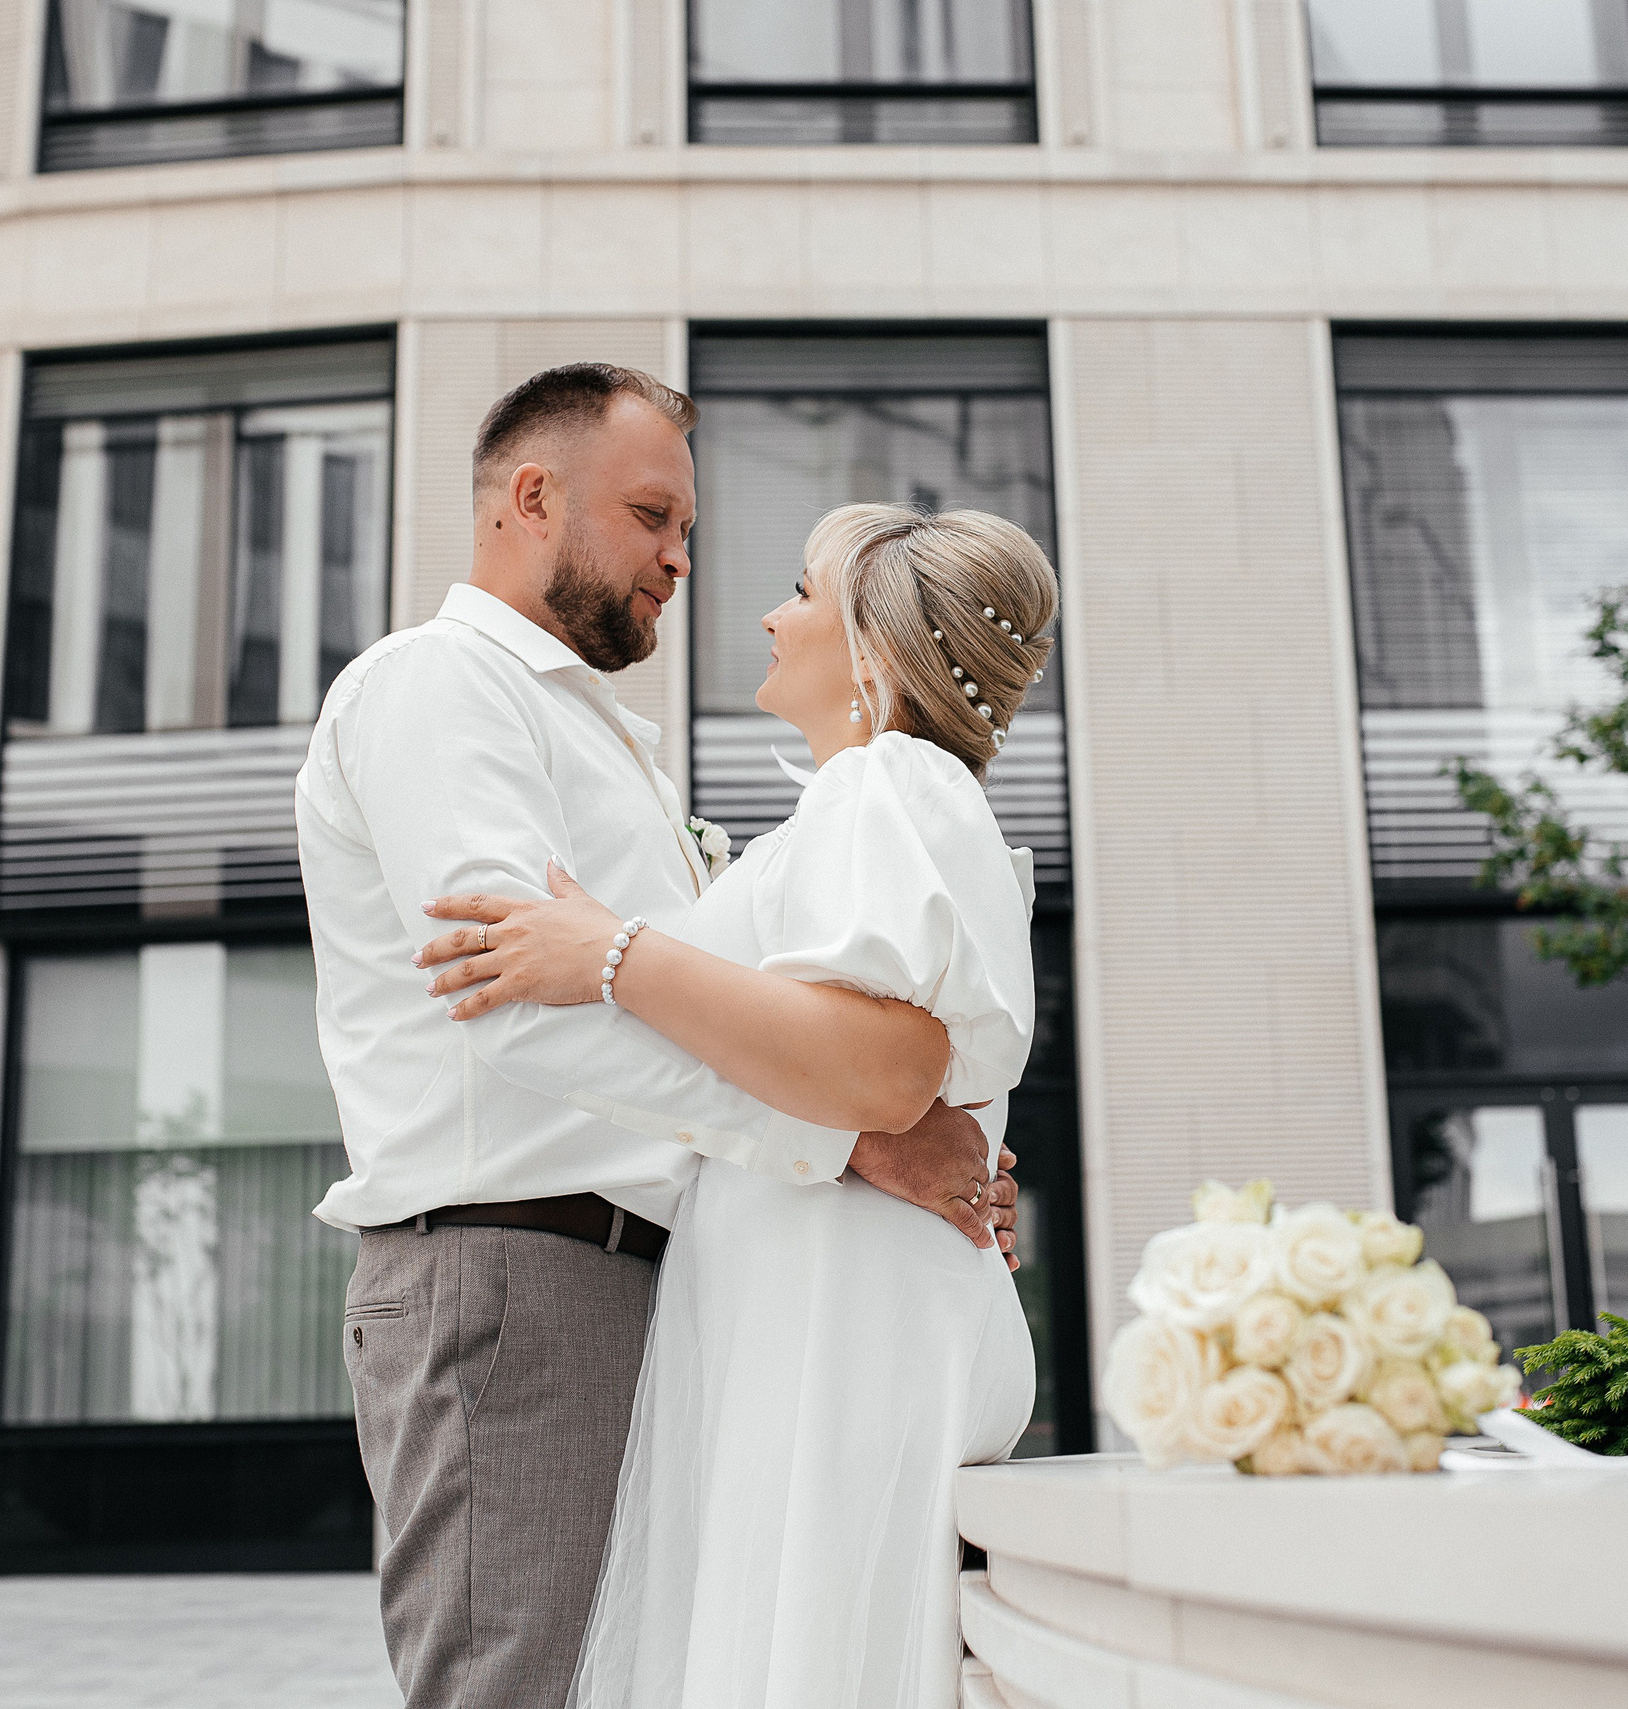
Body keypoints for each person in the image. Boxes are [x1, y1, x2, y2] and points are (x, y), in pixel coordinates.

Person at [296, 365, 1021, 1709]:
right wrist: (855, 1138)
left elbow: (741, 1022)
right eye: (651, 516)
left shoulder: (615, 740)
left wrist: (903, 1147)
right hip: (516, 1269)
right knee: (526, 1683)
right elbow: (511, 1000)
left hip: (654, 1275)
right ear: (531, 498)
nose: (684, 560)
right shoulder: (440, 688)